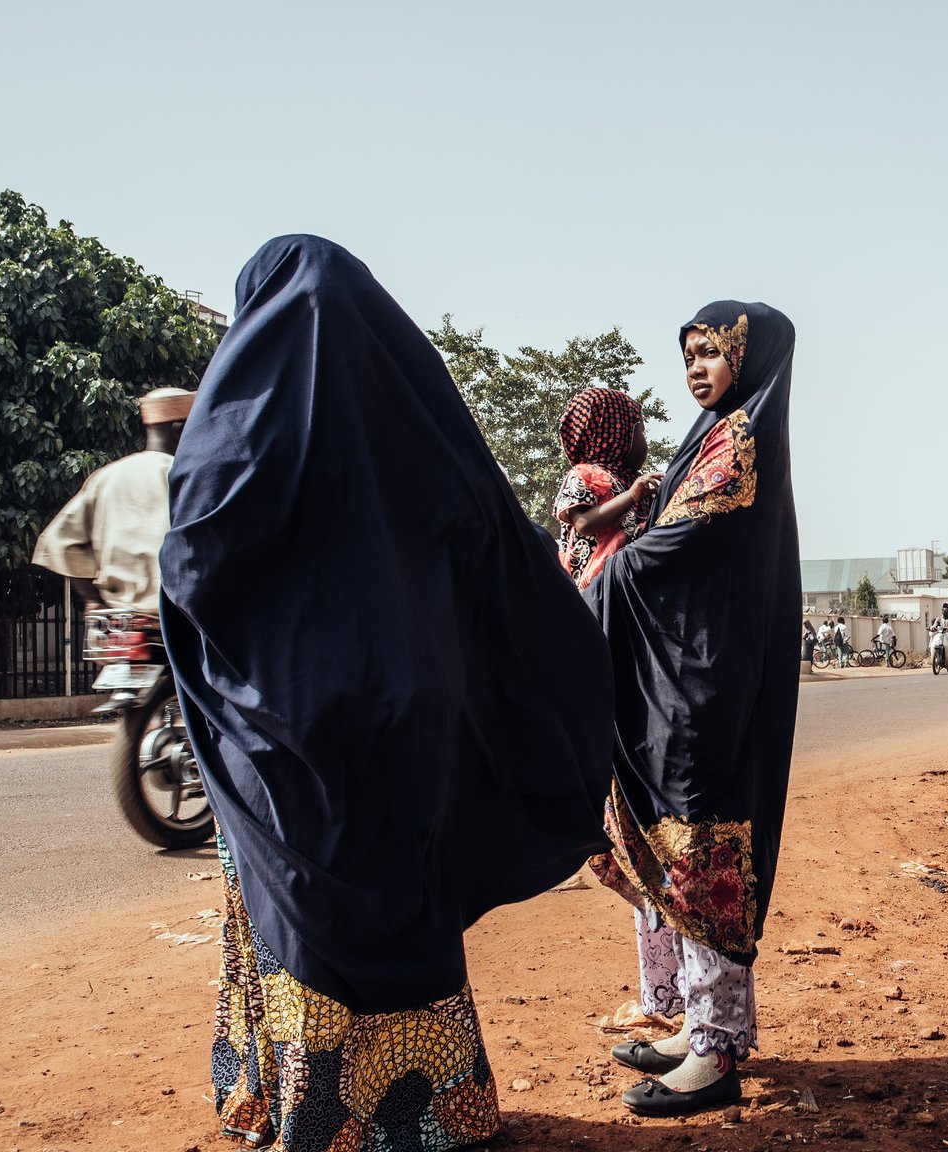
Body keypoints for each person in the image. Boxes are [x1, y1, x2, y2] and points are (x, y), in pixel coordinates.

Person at [160, 236, 615, 1151]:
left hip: (285, 719)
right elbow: (500, 540)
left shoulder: (244, 424)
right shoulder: (416, 420)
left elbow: (194, 551)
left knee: (300, 900)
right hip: (412, 708)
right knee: (403, 893)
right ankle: (436, 1110)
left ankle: (314, 1110)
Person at [590, 301, 799, 1118]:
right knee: (681, 853)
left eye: (711, 353)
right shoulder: (712, 434)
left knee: (702, 852)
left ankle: (714, 1051)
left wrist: (600, 579)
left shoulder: (741, 438)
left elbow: (678, 544)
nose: (697, 370)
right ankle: (704, 1026)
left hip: (705, 684)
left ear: (747, 358)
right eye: (688, 357)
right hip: (682, 670)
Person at [31, 387, 195, 613]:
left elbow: (59, 541)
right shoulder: (183, 477)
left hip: (118, 622)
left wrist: (92, 600)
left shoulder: (106, 477)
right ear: (180, 429)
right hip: (172, 619)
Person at [554, 387, 663, 588]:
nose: (644, 440)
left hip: (633, 580)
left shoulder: (635, 480)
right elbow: (584, 523)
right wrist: (630, 496)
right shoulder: (584, 474)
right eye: (640, 431)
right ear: (614, 434)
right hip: (595, 586)